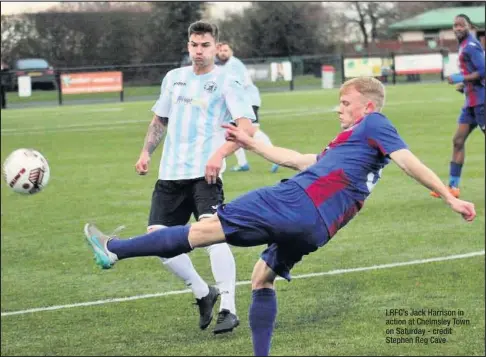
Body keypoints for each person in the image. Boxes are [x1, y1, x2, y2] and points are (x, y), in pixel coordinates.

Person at [84, 77, 476, 356]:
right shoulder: (349, 145)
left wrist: (448, 197)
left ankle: (114, 249)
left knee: (203, 231)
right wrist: (251, 143)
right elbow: (297, 159)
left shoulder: (375, 124)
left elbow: (408, 162)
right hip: (319, 228)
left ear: (367, 107)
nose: (338, 108)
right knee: (262, 279)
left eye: (345, 103)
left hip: (296, 201)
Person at [133, 20, 256, 334]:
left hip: (205, 174)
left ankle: (228, 307)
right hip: (170, 175)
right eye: (194, 46)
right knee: (159, 242)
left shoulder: (228, 81)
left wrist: (218, 155)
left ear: (216, 46)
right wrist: (146, 151)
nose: (199, 52)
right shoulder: (174, 78)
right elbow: (159, 120)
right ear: (187, 46)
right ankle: (203, 292)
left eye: (205, 46)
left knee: (212, 237)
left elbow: (247, 128)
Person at [430, 13, 485, 199]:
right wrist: (465, 85)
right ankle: (453, 187)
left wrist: (461, 78)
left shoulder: (470, 45)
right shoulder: (463, 45)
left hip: (482, 102)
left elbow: (483, 70)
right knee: (458, 141)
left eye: (461, 25)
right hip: (471, 103)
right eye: (455, 25)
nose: (458, 28)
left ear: (468, 26)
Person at [216, 41, 279, 173]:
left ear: (231, 51)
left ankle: (275, 157)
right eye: (220, 51)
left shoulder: (234, 65)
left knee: (252, 131)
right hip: (240, 102)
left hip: (248, 102)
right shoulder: (227, 65)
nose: (223, 53)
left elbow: (235, 85)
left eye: (225, 50)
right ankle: (243, 163)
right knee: (233, 131)